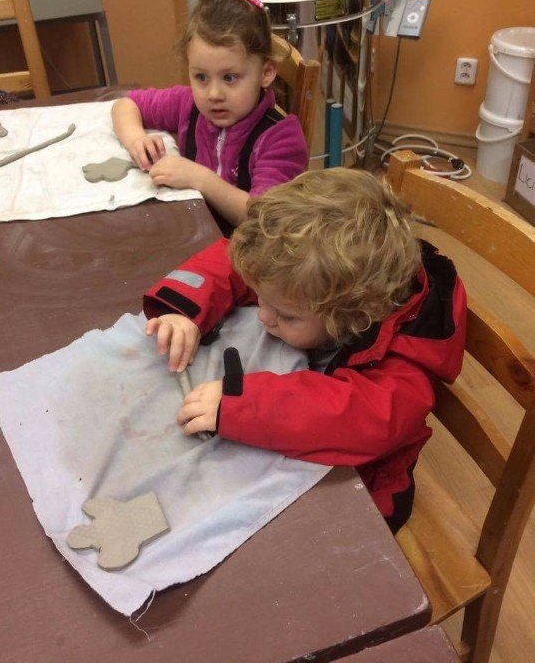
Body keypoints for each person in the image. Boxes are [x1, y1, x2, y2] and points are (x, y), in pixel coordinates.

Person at [142, 169, 467, 533]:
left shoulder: (404, 364)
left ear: (353, 317)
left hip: (362, 492)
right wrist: (183, 310)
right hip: (295, 446)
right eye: (260, 297)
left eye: (285, 315)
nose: (264, 315)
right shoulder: (312, 279)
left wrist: (242, 404)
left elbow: (359, 419)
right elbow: (233, 262)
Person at [111, 0, 308, 232]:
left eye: (230, 77)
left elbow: (263, 220)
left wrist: (199, 178)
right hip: (195, 231)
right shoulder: (188, 104)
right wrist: (136, 140)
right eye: (201, 77)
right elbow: (125, 105)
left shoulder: (282, 138)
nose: (213, 94)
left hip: (244, 250)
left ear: (266, 73)